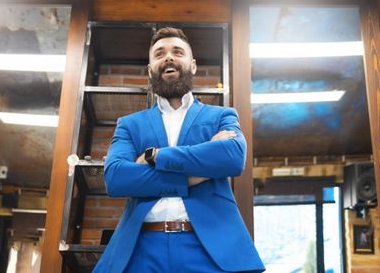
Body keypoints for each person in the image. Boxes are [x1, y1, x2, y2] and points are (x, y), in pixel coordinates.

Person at [93, 27, 265, 273]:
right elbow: (116, 178)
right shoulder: (129, 124)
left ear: (193, 65)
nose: (169, 57)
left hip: (209, 250)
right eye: (160, 53)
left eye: (177, 52)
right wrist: (192, 176)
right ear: (150, 69)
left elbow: (233, 157)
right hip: (141, 249)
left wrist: (156, 156)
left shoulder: (221, 116)